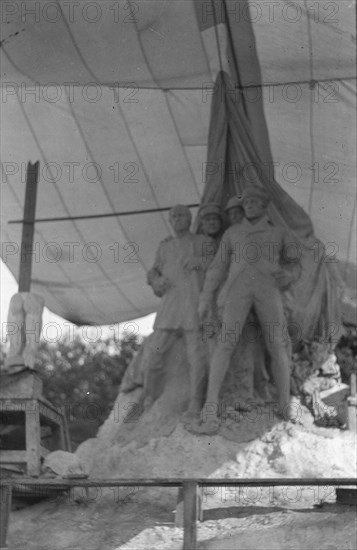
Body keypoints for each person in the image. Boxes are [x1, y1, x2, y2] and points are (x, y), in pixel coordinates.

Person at [198, 185, 299, 430]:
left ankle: (285, 403)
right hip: (237, 289)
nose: (250, 205)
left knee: (277, 343)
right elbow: (218, 267)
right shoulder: (232, 233)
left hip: (268, 289)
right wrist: (205, 296)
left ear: (265, 205)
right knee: (226, 343)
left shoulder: (280, 233)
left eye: (255, 201)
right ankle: (210, 406)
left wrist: (289, 275)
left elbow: (296, 264)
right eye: (247, 202)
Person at [143, 204, 215, 417]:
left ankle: (196, 401)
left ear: (190, 219)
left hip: (192, 306)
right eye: (173, 216)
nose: (176, 219)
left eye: (181, 215)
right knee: (154, 354)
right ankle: (150, 397)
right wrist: (156, 280)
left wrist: (200, 262)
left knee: (197, 357)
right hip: (169, 308)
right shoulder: (164, 246)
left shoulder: (203, 242)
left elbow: (218, 264)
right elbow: (153, 271)